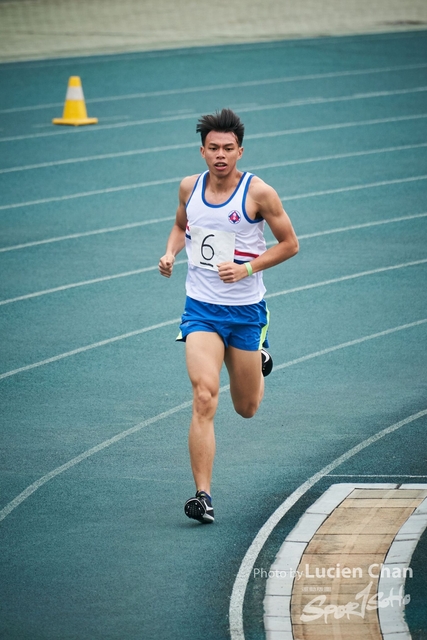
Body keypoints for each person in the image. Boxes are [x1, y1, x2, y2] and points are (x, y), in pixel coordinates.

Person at [158, 108, 299, 524]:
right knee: (204, 395)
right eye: (213, 148)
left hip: (245, 311)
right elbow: (182, 226)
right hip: (200, 309)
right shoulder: (189, 187)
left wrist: (247, 268)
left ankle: (259, 350)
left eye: (228, 148)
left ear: (241, 151)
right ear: (202, 151)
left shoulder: (259, 194)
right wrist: (170, 253)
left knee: (247, 407)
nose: (221, 155)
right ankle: (203, 495)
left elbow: (289, 244)